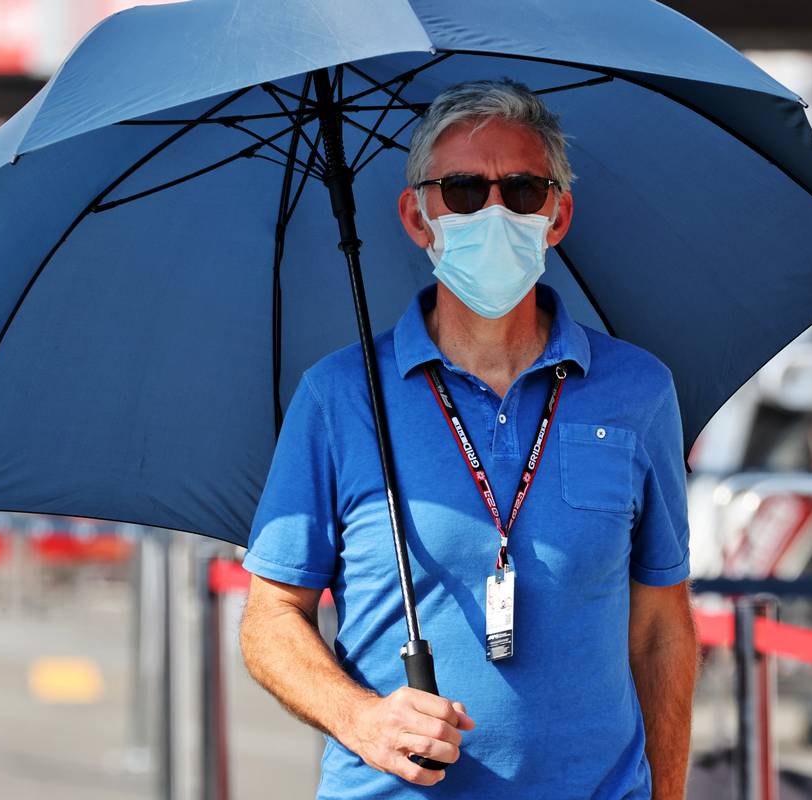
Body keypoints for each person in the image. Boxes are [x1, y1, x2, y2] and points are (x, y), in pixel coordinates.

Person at [239, 78, 698, 800]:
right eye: (461, 190)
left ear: (557, 214)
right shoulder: (338, 395)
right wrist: (362, 719)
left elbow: (660, 627)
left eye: (522, 190)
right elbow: (270, 617)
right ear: (417, 217)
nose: (494, 211)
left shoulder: (639, 391)